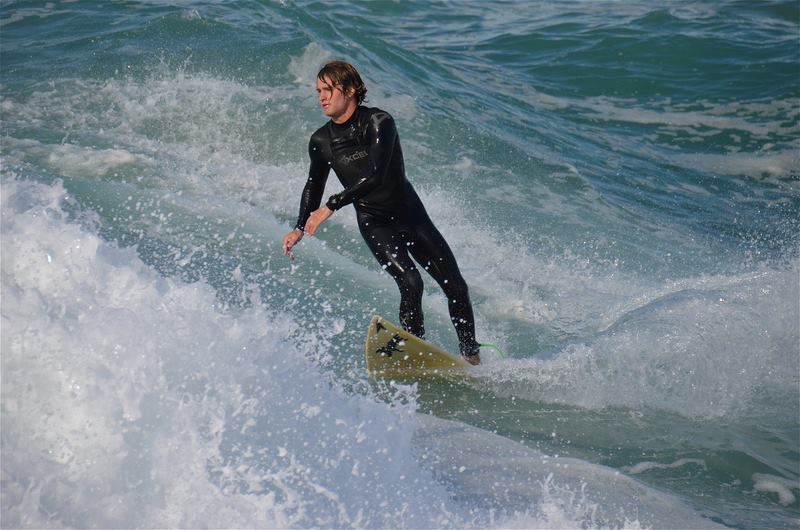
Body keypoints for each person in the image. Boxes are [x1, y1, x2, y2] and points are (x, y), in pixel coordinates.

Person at [281, 60, 480, 365]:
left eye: (328, 90)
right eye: (318, 91)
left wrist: (332, 206)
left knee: (455, 286)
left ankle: (470, 354)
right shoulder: (321, 141)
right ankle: (416, 352)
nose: (321, 97)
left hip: (410, 215)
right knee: (411, 283)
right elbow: (313, 184)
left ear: (349, 90)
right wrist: (298, 227)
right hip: (375, 222)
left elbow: (375, 174)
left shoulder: (378, 122)